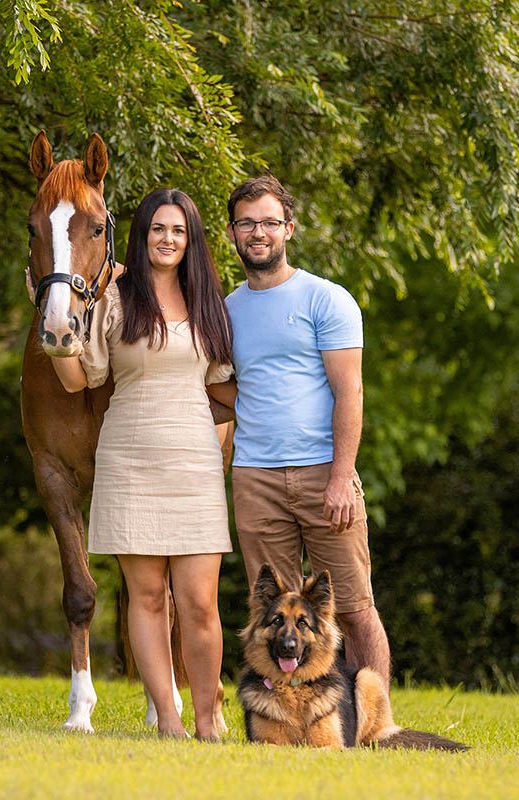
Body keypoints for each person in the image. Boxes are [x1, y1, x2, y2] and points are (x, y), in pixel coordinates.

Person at [49, 188, 234, 740]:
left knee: (200, 604)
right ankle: (170, 723)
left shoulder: (208, 302)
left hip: (195, 461)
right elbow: (85, 378)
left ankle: (209, 720)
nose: (167, 239)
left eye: (177, 230)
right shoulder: (115, 298)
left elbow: (224, 388)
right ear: (141, 234)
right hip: (129, 459)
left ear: (190, 239)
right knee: (148, 598)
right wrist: (60, 347)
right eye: (157, 229)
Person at [220, 175, 392, 688]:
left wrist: (342, 477)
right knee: (277, 617)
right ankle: (297, 726)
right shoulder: (225, 310)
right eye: (247, 223)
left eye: (269, 222)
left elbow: (350, 393)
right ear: (232, 232)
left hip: (325, 476)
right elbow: (223, 389)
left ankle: (375, 725)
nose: (258, 232)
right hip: (256, 479)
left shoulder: (327, 300)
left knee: (356, 607)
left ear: (288, 229)